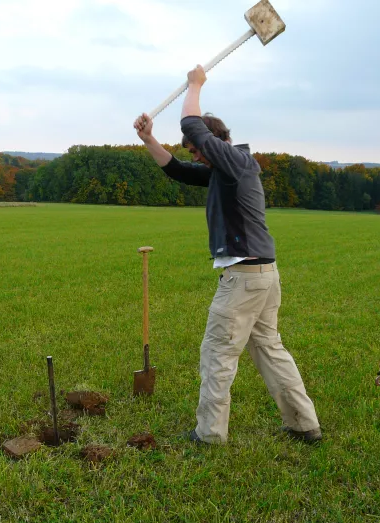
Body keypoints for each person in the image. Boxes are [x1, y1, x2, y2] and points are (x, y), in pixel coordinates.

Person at [133, 65, 322, 445]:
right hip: (263, 276)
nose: (196, 156)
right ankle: (304, 424)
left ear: (214, 142)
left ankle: (209, 434)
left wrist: (195, 85)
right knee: (270, 348)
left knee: (217, 351)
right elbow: (179, 172)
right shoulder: (227, 171)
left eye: (198, 150)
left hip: (244, 278)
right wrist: (148, 139)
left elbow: (192, 126)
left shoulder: (234, 160)